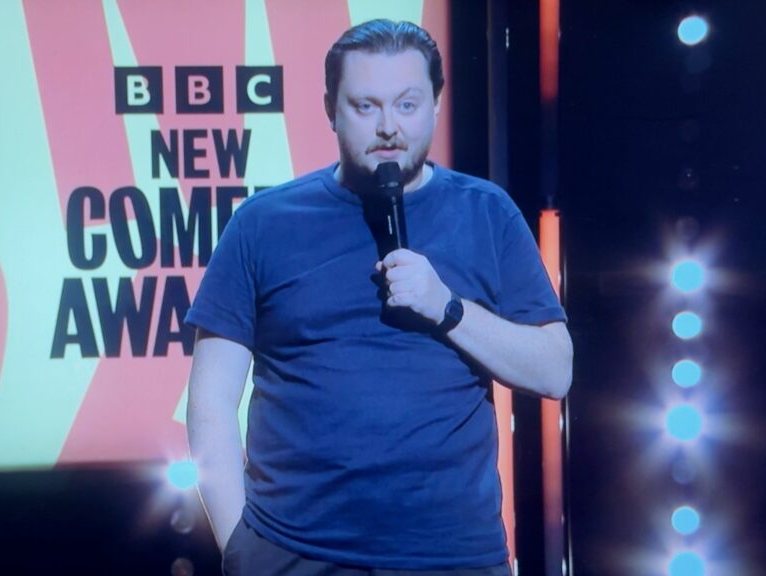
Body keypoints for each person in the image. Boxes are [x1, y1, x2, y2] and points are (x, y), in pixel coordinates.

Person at [185, 19, 573, 576]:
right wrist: (241, 551)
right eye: (365, 106)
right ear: (330, 109)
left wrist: (448, 309)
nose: (389, 126)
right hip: (295, 555)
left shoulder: (487, 213)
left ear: (436, 103)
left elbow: (555, 371)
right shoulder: (263, 224)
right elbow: (210, 401)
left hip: (453, 558)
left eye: (407, 104)